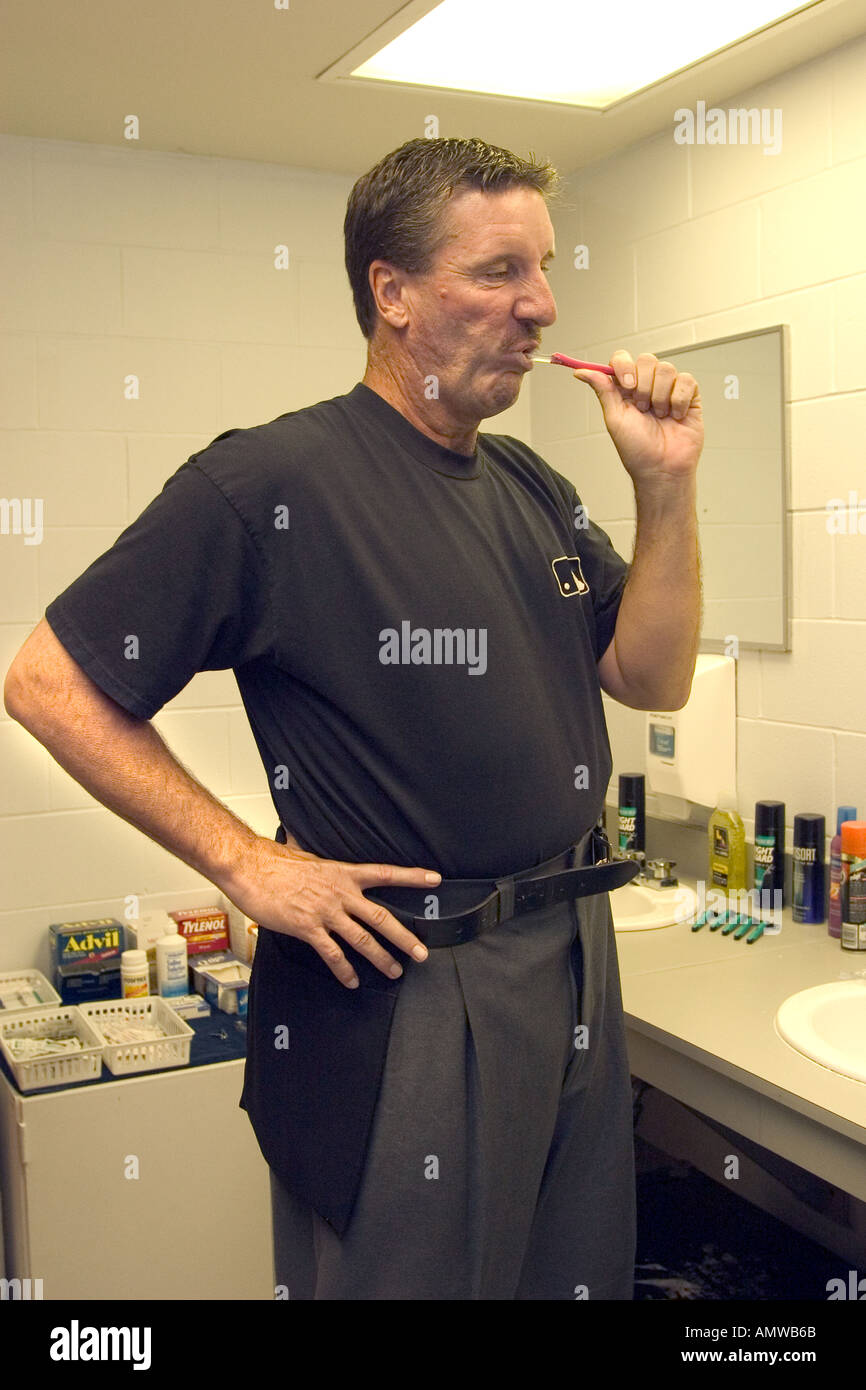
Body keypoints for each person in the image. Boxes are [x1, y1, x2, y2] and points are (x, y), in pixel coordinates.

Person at [4, 136, 702, 1300]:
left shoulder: (527, 479)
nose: (539, 305)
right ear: (390, 293)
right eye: (496, 274)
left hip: (574, 958)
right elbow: (47, 681)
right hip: (418, 988)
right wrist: (245, 863)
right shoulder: (273, 483)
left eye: (541, 269)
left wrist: (665, 484)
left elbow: (650, 674)